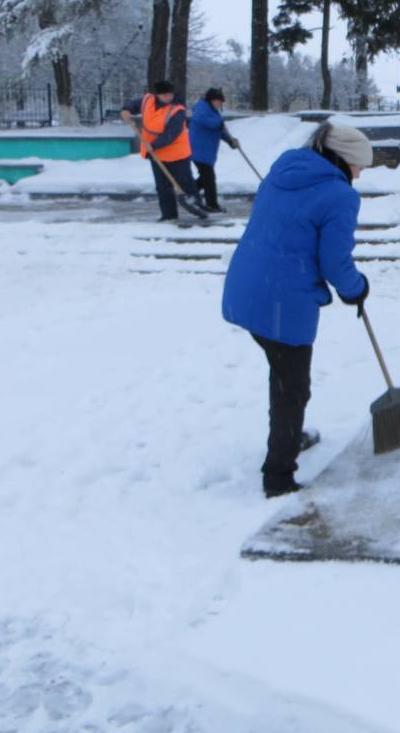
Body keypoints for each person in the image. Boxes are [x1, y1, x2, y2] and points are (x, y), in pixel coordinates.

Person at [221, 123, 373, 498]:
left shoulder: (284, 169)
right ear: (343, 159)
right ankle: (278, 476)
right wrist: (357, 289)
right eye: (359, 166)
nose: (360, 174)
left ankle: (288, 435)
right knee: (293, 388)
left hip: (247, 285)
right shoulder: (340, 196)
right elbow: (335, 263)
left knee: (282, 374)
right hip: (282, 300)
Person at [119, 80, 205, 222]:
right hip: (156, 154)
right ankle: (168, 215)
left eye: (170, 94)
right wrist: (126, 109)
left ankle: (199, 208)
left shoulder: (177, 109)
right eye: (164, 95)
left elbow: (172, 133)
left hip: (177, 153)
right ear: (157, 95)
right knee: (162, 187)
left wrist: (155, 145)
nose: (168, 97)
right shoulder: (148, 101)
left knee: (186, 183)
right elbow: (135, 104)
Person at [189, 88, 240, 212]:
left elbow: (219, 129)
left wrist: (230, 141)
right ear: (211, 100)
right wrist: (219, 124)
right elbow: (204, 121)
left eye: (221, 102)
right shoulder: (201, 109)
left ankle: (189, 193)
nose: (220, 104)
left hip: (207, 151)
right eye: (218, 101)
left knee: (205, 178)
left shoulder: (214, 112)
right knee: (209, 178)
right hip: (198, 150)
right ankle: (212, 205)